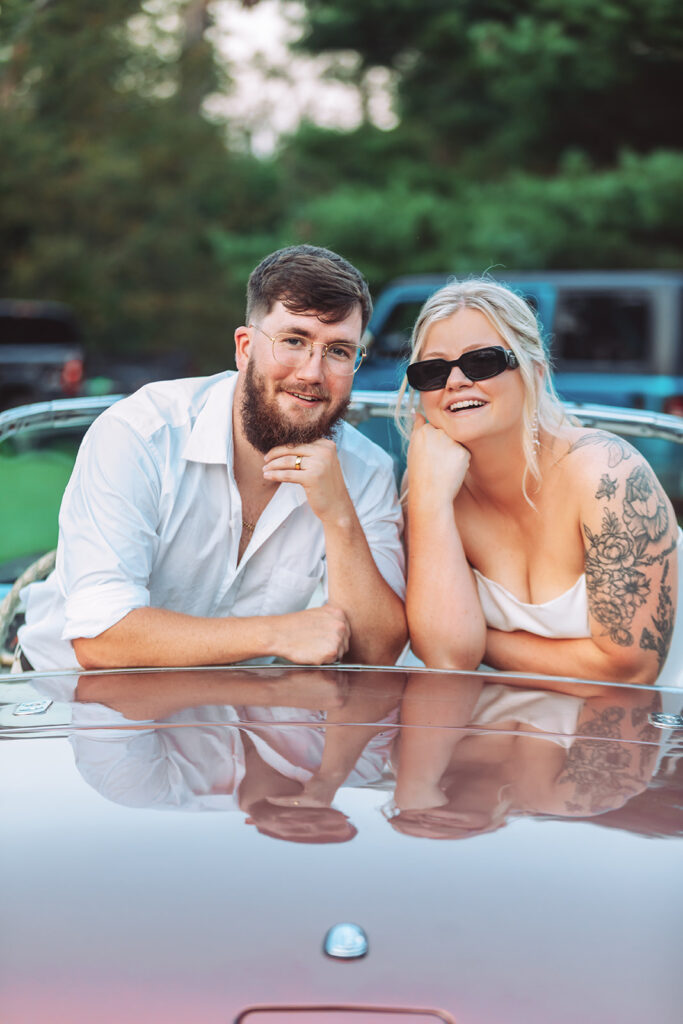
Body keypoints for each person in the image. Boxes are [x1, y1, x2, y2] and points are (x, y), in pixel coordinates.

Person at [18, 245, 406, 671]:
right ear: (244, 348)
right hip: (67, 698)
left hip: (234, 714)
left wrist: (340, 518)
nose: (313, 373)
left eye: (338, 351)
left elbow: (377, 653)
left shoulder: (365, 470)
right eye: (294, 341)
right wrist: (277, 633)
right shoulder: (141, 436)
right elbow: (100, 639)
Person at [400, 278, 682, 688]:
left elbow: (631, 671)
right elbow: (447, 656)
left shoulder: (606, 474)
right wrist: (429, 501)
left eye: (482, 362)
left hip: (648, 734)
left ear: (534, 370)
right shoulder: (429, 483)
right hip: (515, 731)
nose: (455, 382)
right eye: (432, 370)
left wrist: (482, 643)